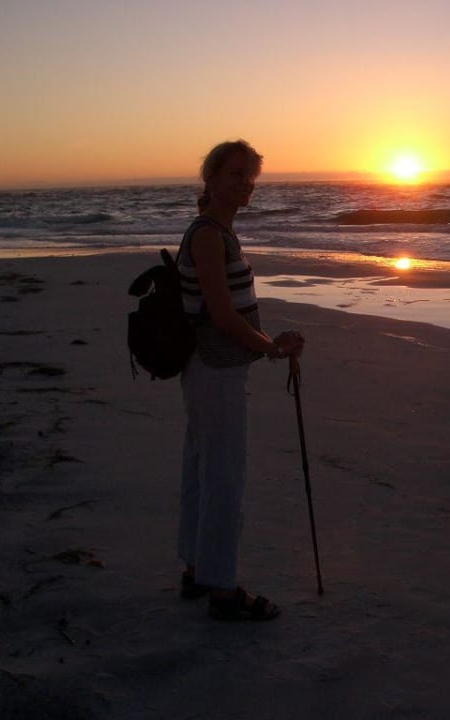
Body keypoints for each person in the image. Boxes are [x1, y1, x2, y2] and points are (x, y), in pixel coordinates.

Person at [176, 140, 303, 621]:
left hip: (211, 365)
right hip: (214, 367)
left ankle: (197, 569)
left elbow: (228, 314)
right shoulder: (209, 236)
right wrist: (271, 347)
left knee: (203, 467)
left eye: (250, 176)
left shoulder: (218, 231)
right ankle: (222, 590)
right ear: (210, 178)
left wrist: (267, 344)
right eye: (234, 174)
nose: (245, 184)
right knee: (224, 476)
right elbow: (223, 316)